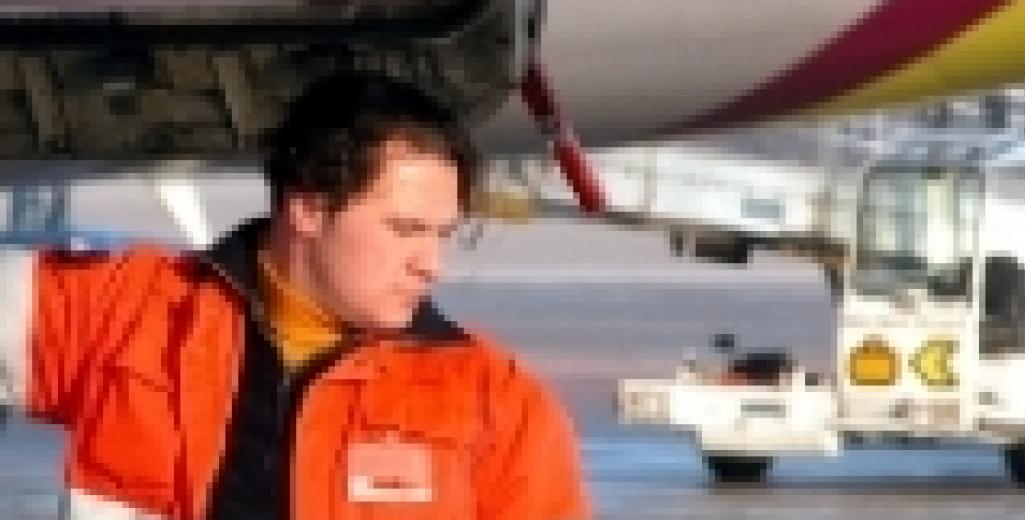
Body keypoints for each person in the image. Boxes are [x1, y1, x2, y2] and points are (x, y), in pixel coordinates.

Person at [0, 71, 590, 519]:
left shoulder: (497, 406)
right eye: (405, 229)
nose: (431, 264)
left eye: (442, 234)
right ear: (307, 208)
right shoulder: (129, 313)